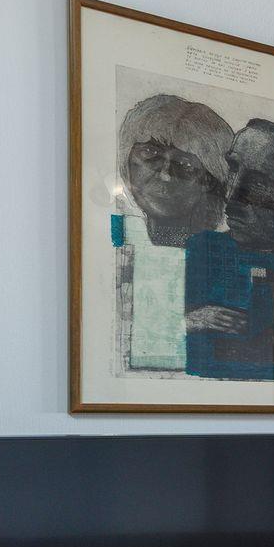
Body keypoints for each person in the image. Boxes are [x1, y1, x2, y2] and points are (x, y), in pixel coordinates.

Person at [184, 119, 274, 381]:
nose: (231, 195)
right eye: (232, 169)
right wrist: (187, 323)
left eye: (258, 182)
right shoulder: (198, 252)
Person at [112, 94, 230, 373]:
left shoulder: (224, 260)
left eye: (186, 165)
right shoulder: (116, 243)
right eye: (150, 154)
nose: (165, 175)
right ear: (127, 160)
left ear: (210, 180)